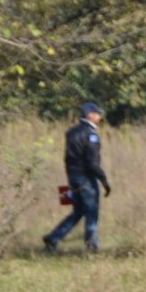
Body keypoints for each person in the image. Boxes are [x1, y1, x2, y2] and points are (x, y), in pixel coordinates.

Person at [44, 101, 112, 254]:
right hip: (86, 178)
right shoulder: (91, 135)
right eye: (98, 114)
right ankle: (92, 248)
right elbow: (92, 164)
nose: (100, 117)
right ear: (90, 115)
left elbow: (68, 157)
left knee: (78, 212)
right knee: (92, 213)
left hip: (72, 177)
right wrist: (104, 181)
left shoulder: (72, 132)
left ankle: (53, 238)